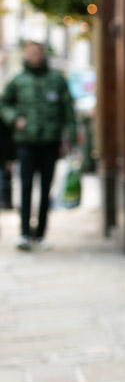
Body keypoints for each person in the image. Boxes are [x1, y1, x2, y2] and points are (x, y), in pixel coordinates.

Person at [0, 40, 76, 250]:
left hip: (50, 142)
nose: (36, 56)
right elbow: (3, 104)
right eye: (32, 53)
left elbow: (68, 110)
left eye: (39, 52)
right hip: (25, 143)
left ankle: (41, 234)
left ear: (44, 55)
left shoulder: (56, 80)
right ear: (25, 55)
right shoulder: (18, 80)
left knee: (45, 189)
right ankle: (24, 233)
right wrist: (14, 118)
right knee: (25, 187)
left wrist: (71, 136)